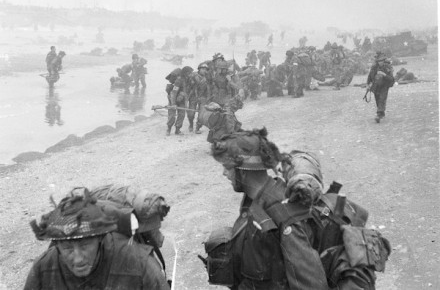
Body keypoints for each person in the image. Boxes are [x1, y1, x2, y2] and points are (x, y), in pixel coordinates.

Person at [205, 128, 389, 290]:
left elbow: (310, 284)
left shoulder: (285, 217)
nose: (224, 173)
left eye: (227, 167)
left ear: (243, 169)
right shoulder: (255, 199)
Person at [24, 187, 170, 289]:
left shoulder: (139, 264)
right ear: (57, 245)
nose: (78, 258)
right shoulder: (43, 268)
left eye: (84, 246)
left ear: (100, 239)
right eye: (67, 248)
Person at [367, 51, 395, 123]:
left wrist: (384, 74)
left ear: (384, 60)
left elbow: (392, 79)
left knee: (382, 99)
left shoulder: (387, 67)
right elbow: (370, 76)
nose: (380, 62)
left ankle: (379, 114)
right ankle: (381, 113)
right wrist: (368, 85)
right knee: (377, 99)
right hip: (376, 86)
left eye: (382, 61)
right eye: (379, 61)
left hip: (385, 85)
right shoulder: (374, 67)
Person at [166, 66, 193, 135]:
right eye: (189, 73)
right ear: (186, 73)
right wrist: (173, 104)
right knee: (172, 115)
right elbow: (174, 92)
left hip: (182, 100)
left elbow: (187, 91)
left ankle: (177, 130)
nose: (191, 74)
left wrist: (185, 101)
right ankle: (168, 129)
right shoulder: (179, 80)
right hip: (173, 99)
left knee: (182, 115)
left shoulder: (189, 80)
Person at [187, 62, 210, 133]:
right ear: (199, 69)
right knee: (191, 114)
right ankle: (191, 124)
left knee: (201, 115)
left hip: (203, 97)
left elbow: (209, 88)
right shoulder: (193, 76)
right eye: (202, 69)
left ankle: (197, 127)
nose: (204, 71)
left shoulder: (208, 78)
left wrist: (208, 98)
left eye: (205, 69)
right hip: (193, 97)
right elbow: (188, 87)